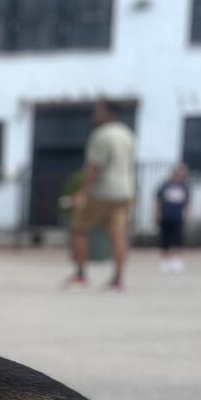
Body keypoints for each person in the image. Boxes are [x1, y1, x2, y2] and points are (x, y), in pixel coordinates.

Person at [67, 100, 136, 292]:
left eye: (98, 111)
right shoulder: (126, 134)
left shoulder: (101, 135)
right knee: (118, 234)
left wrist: (81, 191)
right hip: (124, 191)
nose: (95, 115)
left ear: (107, 113)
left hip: (101, 191)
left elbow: (95, 167)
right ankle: (118, 278)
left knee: (79, 230)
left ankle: (81, 274)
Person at [154, 162, 190, 274]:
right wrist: (157, 213)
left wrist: (187, 214)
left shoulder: (184, 186)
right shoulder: (165, 185)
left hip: (177, 216)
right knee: (165, 239)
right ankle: (166, 260)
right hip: (166, 216)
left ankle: (177, 261)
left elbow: (187, 202)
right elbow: (158, 201)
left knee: (178, 239)